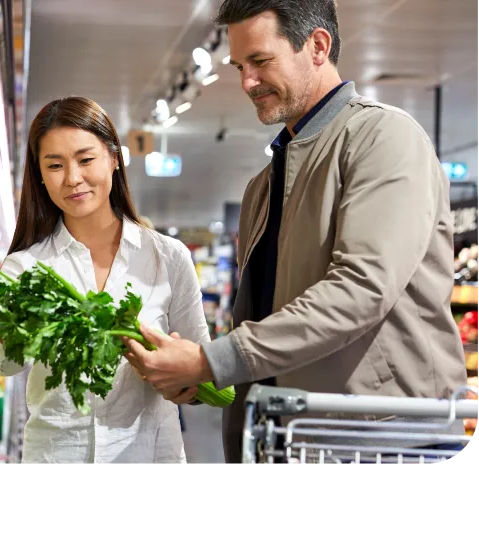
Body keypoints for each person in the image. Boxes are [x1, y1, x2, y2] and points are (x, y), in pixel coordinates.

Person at [122, 0, 468, 464]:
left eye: (261, 61)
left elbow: (361, 288)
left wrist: (213, 361)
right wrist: (211, 381)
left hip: (385, 440)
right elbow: (270, 317)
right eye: (239, 66)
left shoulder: (384, 138)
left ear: (318, 46)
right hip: (291, 436)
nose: (247, 82)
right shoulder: (263, 186)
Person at [0, 96, 210, 464]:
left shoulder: (167, 256)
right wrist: (7, 333)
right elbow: (0, 365)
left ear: (114, 158)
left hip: (150, 454)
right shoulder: (23, 268)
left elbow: (202, 364)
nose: (73, 178)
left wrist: (187, 383)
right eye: (55, 165)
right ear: (40, 175)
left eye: (86, 159)